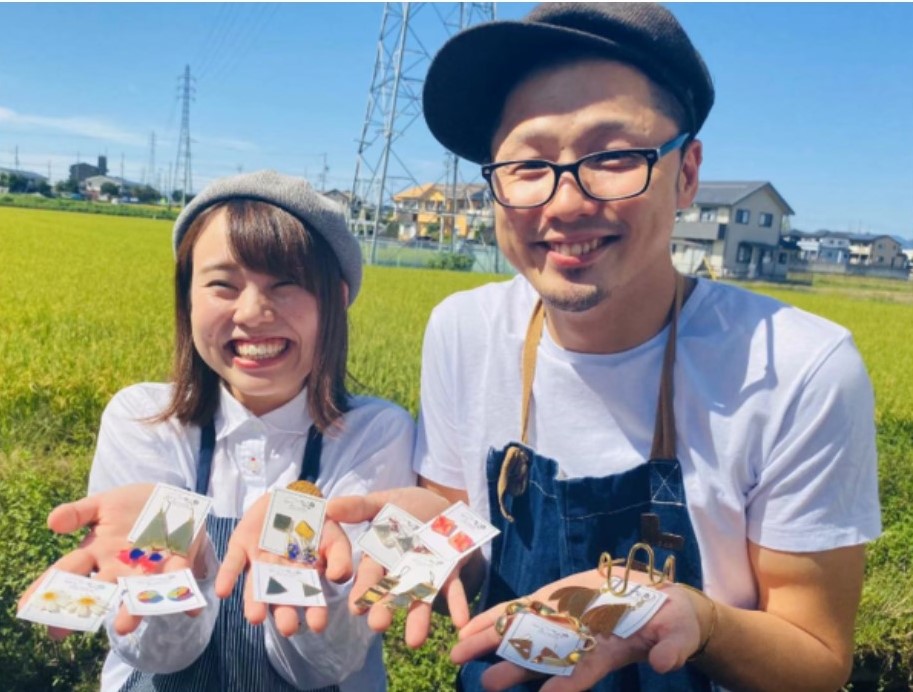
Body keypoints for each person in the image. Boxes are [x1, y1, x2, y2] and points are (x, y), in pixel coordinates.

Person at [339, 4, 881, 691]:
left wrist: (702, 622)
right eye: (527, 163)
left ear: (686, 174)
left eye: (613, 156)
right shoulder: (463, 330)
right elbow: (463, 541)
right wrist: (426, 534)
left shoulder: (799, 368)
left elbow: (815, 657)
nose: (563, 203)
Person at [19, 170, 416, 692]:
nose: (252, 313)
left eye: (286, 283)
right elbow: (152, 656)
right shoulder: (140, 419)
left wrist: (304, 570)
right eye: (222, 285)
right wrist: (194, 558)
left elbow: (329, 663)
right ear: (187, 297)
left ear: (336, 298)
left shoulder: (376, 432)